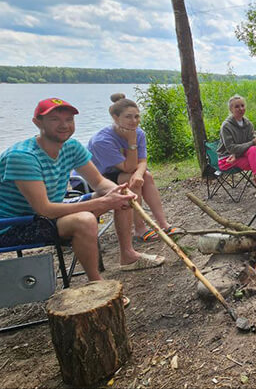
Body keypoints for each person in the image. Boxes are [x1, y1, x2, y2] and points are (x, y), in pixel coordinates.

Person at [0, 98, 165, 289]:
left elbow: (99, 182)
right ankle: (96, 285)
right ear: (37, 122)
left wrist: (116, 193)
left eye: (69, 119)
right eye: (55, 119)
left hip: (49, 213)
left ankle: (128, 256)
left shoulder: (71, 147)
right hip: (15, 225)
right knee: (84, 220)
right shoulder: (23, 157)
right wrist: (103, 203)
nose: (64, 125)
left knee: (122, 196)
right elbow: (44, 209)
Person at [88, 93, 180, 241]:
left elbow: (142, 161)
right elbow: (129, 168)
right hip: (96, 179)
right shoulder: (102, 141)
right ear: (116, 118)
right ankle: (140, 229)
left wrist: (138, 174)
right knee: (132, 179)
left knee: (144, 176)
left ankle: (163, 224)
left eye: (137, 116)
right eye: (128, 117)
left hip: (121, 172)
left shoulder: (139, 133)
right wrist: (131, 142)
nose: (134, 121)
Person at [217, 95, 256, 200]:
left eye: (242, 105)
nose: (241, 109)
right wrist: (252, 142)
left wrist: (253, 142)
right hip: (227, 159)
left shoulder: (248, 124)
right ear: (231, 109)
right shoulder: (226, 126)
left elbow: (251, 145)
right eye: (237, 107)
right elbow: (231, 148)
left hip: (241, 155)